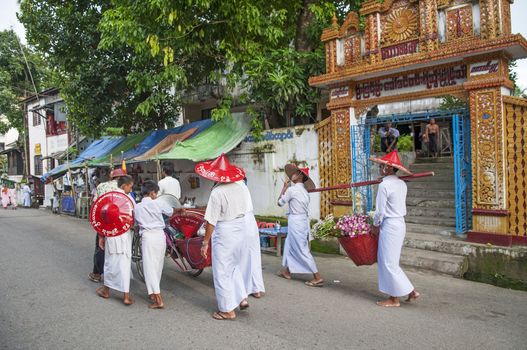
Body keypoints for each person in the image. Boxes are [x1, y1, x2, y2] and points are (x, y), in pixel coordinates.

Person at [197, 154, 250, 320]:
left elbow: (211, 221)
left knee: (221, 271)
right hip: (241, 228)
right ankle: (241, 297)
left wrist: (205, 243)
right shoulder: (241, 187)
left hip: (225, 232)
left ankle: (227, 310)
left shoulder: (217, 192)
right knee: (233, 266)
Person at [370, 150, 420, 307]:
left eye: (383, 166)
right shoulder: (401, 184)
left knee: (388, 262)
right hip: (399, 224)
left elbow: (380, 211)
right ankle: (411, 291)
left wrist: (375, 225)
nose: (380, 168)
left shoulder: (384, 185)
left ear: (389, 169)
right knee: (392, 261)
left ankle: (394, 298)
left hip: (390, 225)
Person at [134, 180, 180, 309]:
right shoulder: (159, 203)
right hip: (160, 236)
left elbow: (136, 222)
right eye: (156, 193)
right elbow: (171, 211)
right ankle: (154, 293)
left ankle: (158, 298)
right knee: (158, 266)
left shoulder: (137, 207)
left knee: (149, 267)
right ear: (152, 193)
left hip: (148, 237)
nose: (156, 195)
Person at [277, 165, 323, 287]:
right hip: (301, 221)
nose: (292, 175)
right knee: (291, 245)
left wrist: (284, 188)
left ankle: (317, 276)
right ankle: (287, 271)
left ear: (300, 176)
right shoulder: (304, 191)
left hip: (296, 221)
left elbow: (279, 203)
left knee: (301, 249)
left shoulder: (292, 190)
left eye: (295, 173)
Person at [96, 175, 135, 305]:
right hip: (125, 236)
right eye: (130, 186)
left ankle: (106, 290)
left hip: (112, 235)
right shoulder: (129, 199)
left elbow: (101, 219)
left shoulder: (109, 198)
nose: (131, 188)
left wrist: (101, 236)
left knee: (110, 263)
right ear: (124, 186)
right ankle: (126, 296)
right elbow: (134, 217)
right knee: (124, 263)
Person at [88, 169, 128, 283]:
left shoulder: (102, 186)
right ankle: (120, 274)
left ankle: (97, 274)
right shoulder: (124, 187)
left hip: (104, 220)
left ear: (112, 177)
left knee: (100, 246)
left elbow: (95, 204)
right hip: (121, 221)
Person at [239, 179, 265, 299]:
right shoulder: (244, 186)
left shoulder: (232, 187)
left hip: (240, 222)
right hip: (250, 221)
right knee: (253, 256)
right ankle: (256, 288)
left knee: (242, 257)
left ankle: (244, 288)